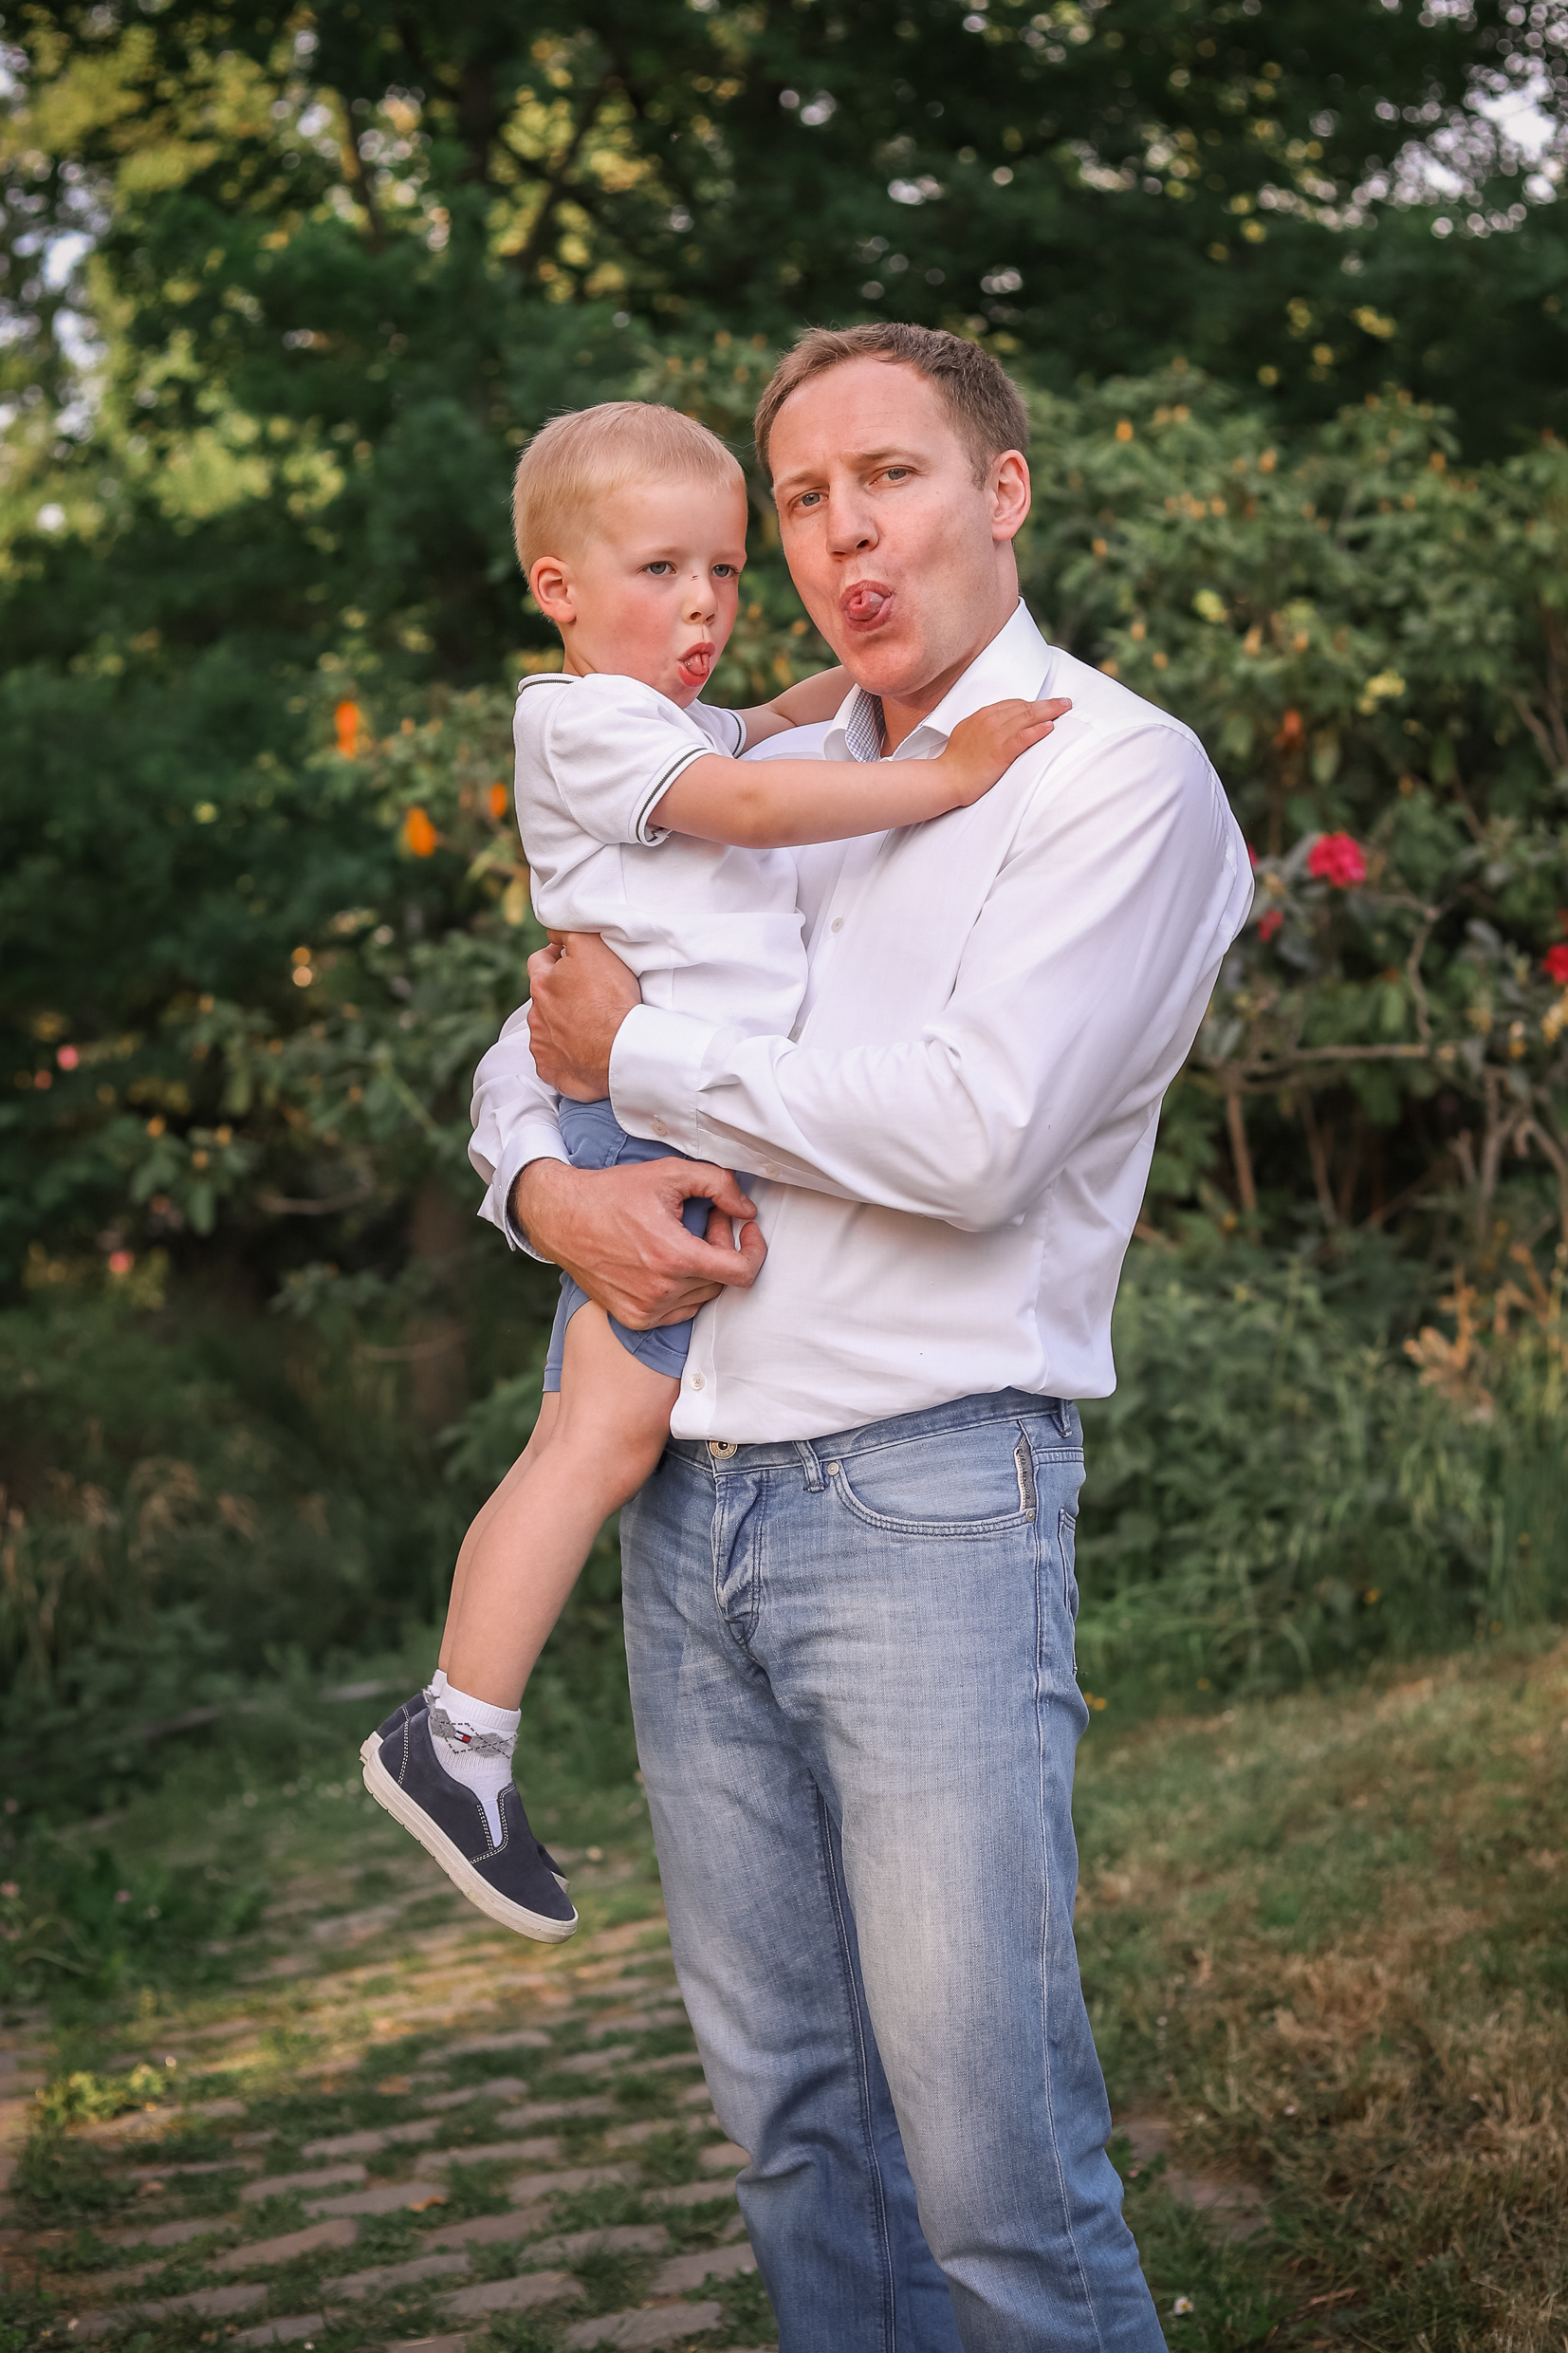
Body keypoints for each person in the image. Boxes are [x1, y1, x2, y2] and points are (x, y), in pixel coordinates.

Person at [470, 324, 1252, 2351]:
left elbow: (971, 1136)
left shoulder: (1108, 774)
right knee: (796, 2134)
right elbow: (532, 1033)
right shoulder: (763, 766)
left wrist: (637, 1055)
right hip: (686, 1509)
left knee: (992, 2164)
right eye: (798, 500)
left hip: (920, 1494)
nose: (837, 534)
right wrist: (554, 1188)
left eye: (885, 477)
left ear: (999, 490)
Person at [360, 398, 1067, 1944]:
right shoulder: (585, 721)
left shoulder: (656, 718)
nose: (702, 608)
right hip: (639, 1127)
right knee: (594, 1446)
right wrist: (947, 771)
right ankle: (455, 1731)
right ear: (554, 586)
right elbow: (750, 796)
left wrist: (881, 676)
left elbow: (756, 733)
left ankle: (459, 1728)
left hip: (660, 1116)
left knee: (596, 1433)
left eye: (727, 576)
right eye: (661, 571)